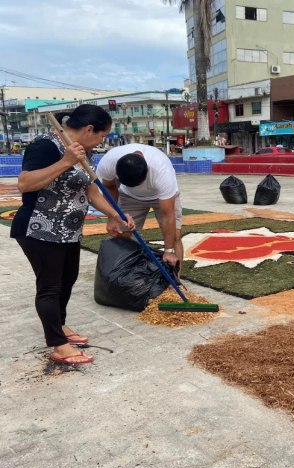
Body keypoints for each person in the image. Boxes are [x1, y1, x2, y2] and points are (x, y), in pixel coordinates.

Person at [10, 105, 135, 366]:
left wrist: (116, 214)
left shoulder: (84, 151)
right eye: (102, 135)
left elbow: (92, 192)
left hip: (68, 230)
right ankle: (57, 343)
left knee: (67, 280)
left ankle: (60, 324)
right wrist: (65, 161)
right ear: (89, 129)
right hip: (39, 229)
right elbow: (25, 183)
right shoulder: (45, 145)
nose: (102, 141)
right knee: (50, 286)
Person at [95, 143, 183, 274]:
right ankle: (121, 277)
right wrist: (112, 217)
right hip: (129, 196)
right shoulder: (109, 161)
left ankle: (176, 279)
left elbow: (168, 215)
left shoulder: (162, 171)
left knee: (175, 235)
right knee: (120, 233)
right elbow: (110, 187)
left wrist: (168, 251)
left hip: (161, 196)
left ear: (147, 169)